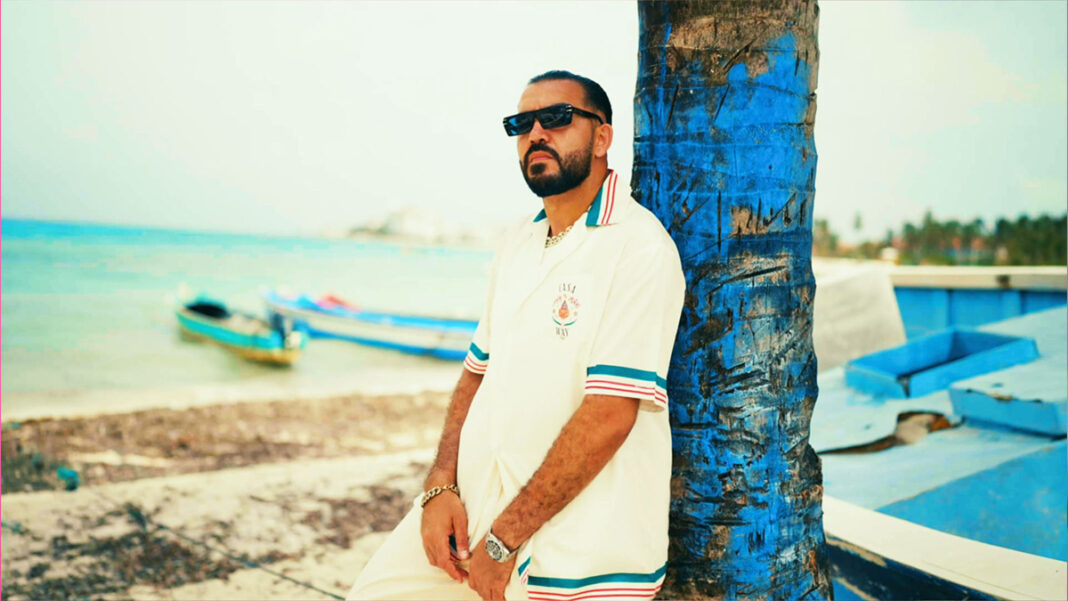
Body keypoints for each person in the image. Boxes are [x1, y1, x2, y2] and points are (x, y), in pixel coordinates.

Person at [347, 70, 685, 601]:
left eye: (556, 118)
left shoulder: (639, 247)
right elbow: (476, 373)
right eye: (521, 124)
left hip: (575, 549)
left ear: (602, 137)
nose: (536, 134)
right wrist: (439, 486)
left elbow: (610, 414)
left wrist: (503, 541)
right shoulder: (518, 243)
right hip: (472, 515)